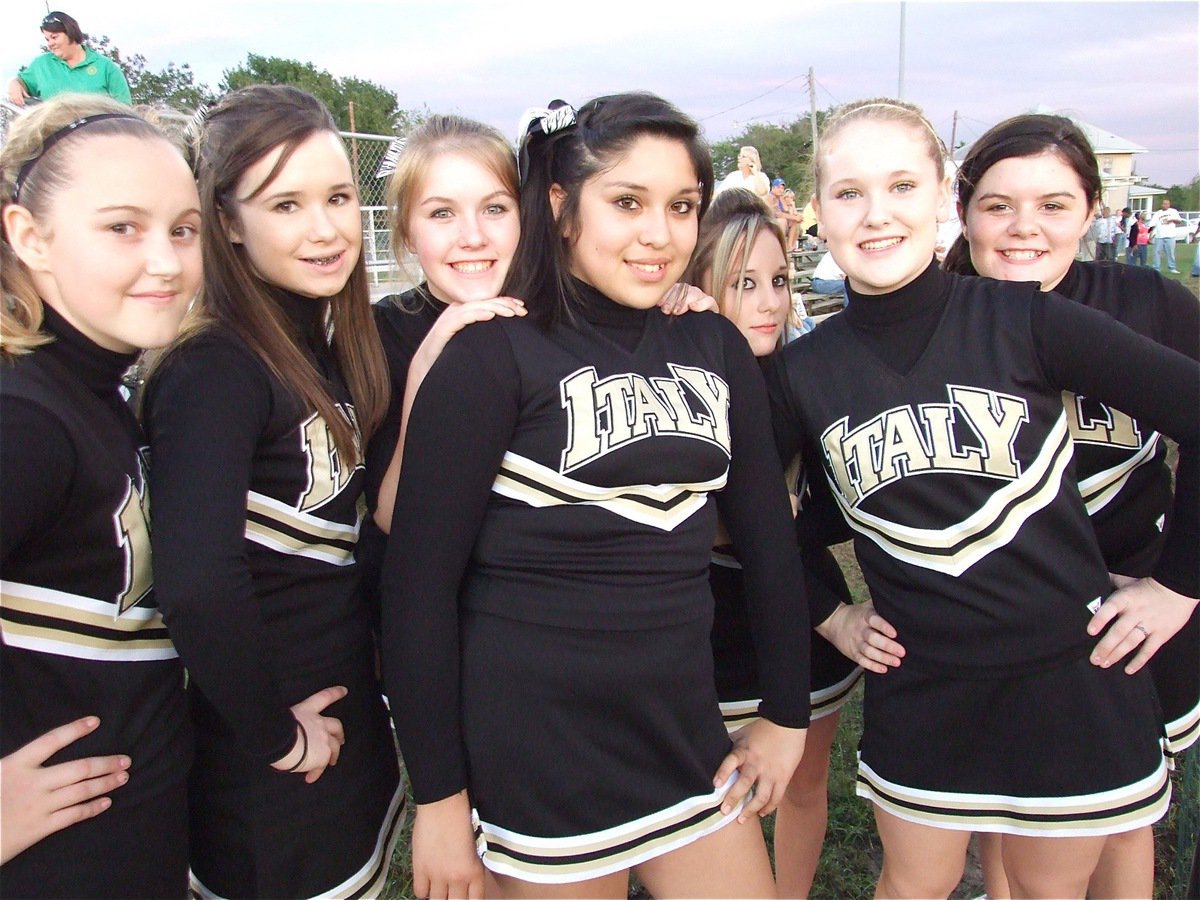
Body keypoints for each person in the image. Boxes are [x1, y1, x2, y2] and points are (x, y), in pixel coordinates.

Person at [382, 92, 812, 899]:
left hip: (685, 736)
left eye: (682, 206)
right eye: (627, 202)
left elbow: (767, 544)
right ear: (561, 207)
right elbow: (417, 593)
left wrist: (786, 715)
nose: (660, 234)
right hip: (538, 756)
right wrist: (441, 801)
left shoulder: (711, 340)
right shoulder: (491, 354)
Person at [766, 97, 1198, 899]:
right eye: (849, 192)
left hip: (1071, 677)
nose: (877, 213)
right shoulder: (802, 371)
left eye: (901, 186)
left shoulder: (1025, 319)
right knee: (913, 885)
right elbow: (752, 516)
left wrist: (1178, 584)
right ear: (817, 212)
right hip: (925, 688)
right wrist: (832, 610)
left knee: (1046, 891)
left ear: (942, 200)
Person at [143, 85, 405, 898]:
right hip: (269, 756)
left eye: (336, 197)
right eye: (285, 204)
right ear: (226, 220)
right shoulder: (213, 364)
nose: (325, 228)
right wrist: (273, 732)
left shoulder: (318, 341)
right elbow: (196, 585)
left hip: (337, 714)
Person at [943, 111, 1200, 899]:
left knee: (1124, 820)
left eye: (1053, 205)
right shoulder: (936, 314)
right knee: (1005, 814)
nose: (1025, 228)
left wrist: (1179, 587)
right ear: (964, 212)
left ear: (1092, 211)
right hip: (992, 625)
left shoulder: (1147, 300)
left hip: (1129, 613)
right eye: (998, 206)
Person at [0, 95, 198, 896]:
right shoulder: (24, 417)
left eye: (183, 229)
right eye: (124, 227)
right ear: (28, 237)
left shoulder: (93, 387)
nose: (167, 261)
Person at [685, 187, 863, 898]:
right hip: (702, 631)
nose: (768, 302)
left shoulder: (806, 376)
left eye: (780, 281)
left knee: (803, 782)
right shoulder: (676, 376)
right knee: (708, 797)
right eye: (742, 283)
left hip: (800, 620)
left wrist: (824, 610)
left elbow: (838, 509)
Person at [7, 12, 132, 107]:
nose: (50, 44)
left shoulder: (106, 68)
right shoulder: (41, 65)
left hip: (99, 137)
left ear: (70, 33)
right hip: (54, 138)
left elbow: (125, 113)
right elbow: (21, 81)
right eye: (47, 39)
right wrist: (14, 83)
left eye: (54, 37)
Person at [1149, 197, 1183, 273]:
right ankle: (1156, 268)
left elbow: (1179, 221)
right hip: (1159, 236)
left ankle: (1172, 268)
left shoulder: (1173, 211)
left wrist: (1171, 220)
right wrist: (1151, 234)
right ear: (1162, 205)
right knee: (1157, 252)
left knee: (1170, 252)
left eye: (1167, 204)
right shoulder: (1158, 213)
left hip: (1170, 236)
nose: (1165, 205)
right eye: (1164, 204)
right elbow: (1152, 224)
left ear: (1169, 204)